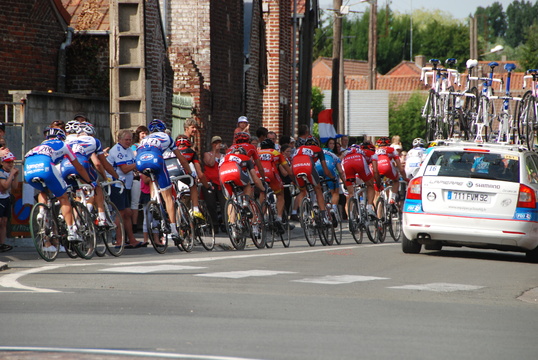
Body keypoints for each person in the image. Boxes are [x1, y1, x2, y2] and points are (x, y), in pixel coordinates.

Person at [24, 128, 93, 244]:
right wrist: (89, 182)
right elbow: (79, 167)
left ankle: (41, 212)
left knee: (44, 190)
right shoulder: (64, 145)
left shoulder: (38, 146)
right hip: (45, 166)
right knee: (63, 198)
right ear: (62, 138)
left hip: (28, 169)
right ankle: (71, 232)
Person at [135, 119, 191, 241]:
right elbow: (181, 158)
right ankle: (174, 230)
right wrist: (190, 173)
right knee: (168, 197)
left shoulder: (144, 139)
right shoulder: (167, 137)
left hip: (140, 161)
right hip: (156, 159)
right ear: (164, 129)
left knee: (152, 177)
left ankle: (153, 200)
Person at [107, 129, 146, 248]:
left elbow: (134, 167)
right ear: (119, 139)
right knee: (121, 213)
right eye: (126, 140)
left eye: (130, 140)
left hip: (126, 185)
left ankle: (132, 239)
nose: (129, 142)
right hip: (117, 185)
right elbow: (124, 169)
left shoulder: (128, 150)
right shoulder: (117, 150)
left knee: (128, 213)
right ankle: (119, 240)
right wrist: (139, 162)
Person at [291, 135, 334, 226]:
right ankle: (323, 216)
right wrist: (332, 178)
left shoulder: (297, 150)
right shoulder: (318, 149)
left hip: (295, 169)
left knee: (302, 191)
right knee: (318, 188)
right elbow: (326, 170)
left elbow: (291, 168)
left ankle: (304, 214)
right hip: (307, 168)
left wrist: (294, 182)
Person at [258, 138, 293, 230]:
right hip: (270, 174)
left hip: (258, 174)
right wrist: (294, 179)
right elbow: (288, 170)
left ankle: (263, 216)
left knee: (263, 192)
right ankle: (279, 218)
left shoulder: (257, 152)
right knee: (280, 194)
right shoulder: (275, 152)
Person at [175, 134, 209, 219]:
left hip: (171, 178)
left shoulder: (171, 152)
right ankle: (195, 209)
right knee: (193, 185)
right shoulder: (191, 152)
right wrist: (207, 186)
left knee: (176, 204)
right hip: (185, 178)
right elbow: (200, 174)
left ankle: (175, 225)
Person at [341, 142, 377, 218]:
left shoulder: (346, 152)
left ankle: (351, 217)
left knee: (351, 193)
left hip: (346, 163)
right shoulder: (368, 152)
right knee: (370, 185)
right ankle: (369, 208)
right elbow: (375, 171)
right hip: (359, 161)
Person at [372, 136, 408, 204]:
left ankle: (375, 211)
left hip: (376, 168)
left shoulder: (374, 150)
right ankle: (392, 198)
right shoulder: (391, 149)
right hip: (387, 167)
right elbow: (400, 167)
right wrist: (405, 178)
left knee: (376, 194)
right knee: (396, 180)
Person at [315, 147, 345, 226]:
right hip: (329, 168)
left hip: (316, 168)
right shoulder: (334, 156)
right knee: (335, 192)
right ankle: (333, 208)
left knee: (317, 190)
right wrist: (345, 183)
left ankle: (317, 208)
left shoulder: (317, 153)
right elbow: (341, 171)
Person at [203, 136, 226, 233]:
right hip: (210, 182)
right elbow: (211, 163)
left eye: (219, 142)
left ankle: (226, 224)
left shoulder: (223, 156)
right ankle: (214, 225)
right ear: (212, 144)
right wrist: (214, 152)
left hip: (221, 182)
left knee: (224, 204)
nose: (218, 144)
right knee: (211, 204)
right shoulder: (207, 154)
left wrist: (226, 150)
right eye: (215, 143)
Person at [130, 125, 149, 232]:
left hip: (145, 174)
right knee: (136, 201)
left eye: (146, 133)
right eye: (142, 133)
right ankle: (135, 224)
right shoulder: (134, 147)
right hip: (138, 175)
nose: (144, 135)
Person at [0, 152, 19, 252]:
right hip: (0, 198)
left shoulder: (9, 173)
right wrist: (12, 174)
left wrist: (15, 176)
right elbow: (5, 186)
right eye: (8, 162)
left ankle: (2, 243)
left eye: (12, 162)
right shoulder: (1, 172)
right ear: (2, 163)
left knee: (4, 221)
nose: (10, 164)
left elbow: (14, 187)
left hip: (6, 198)